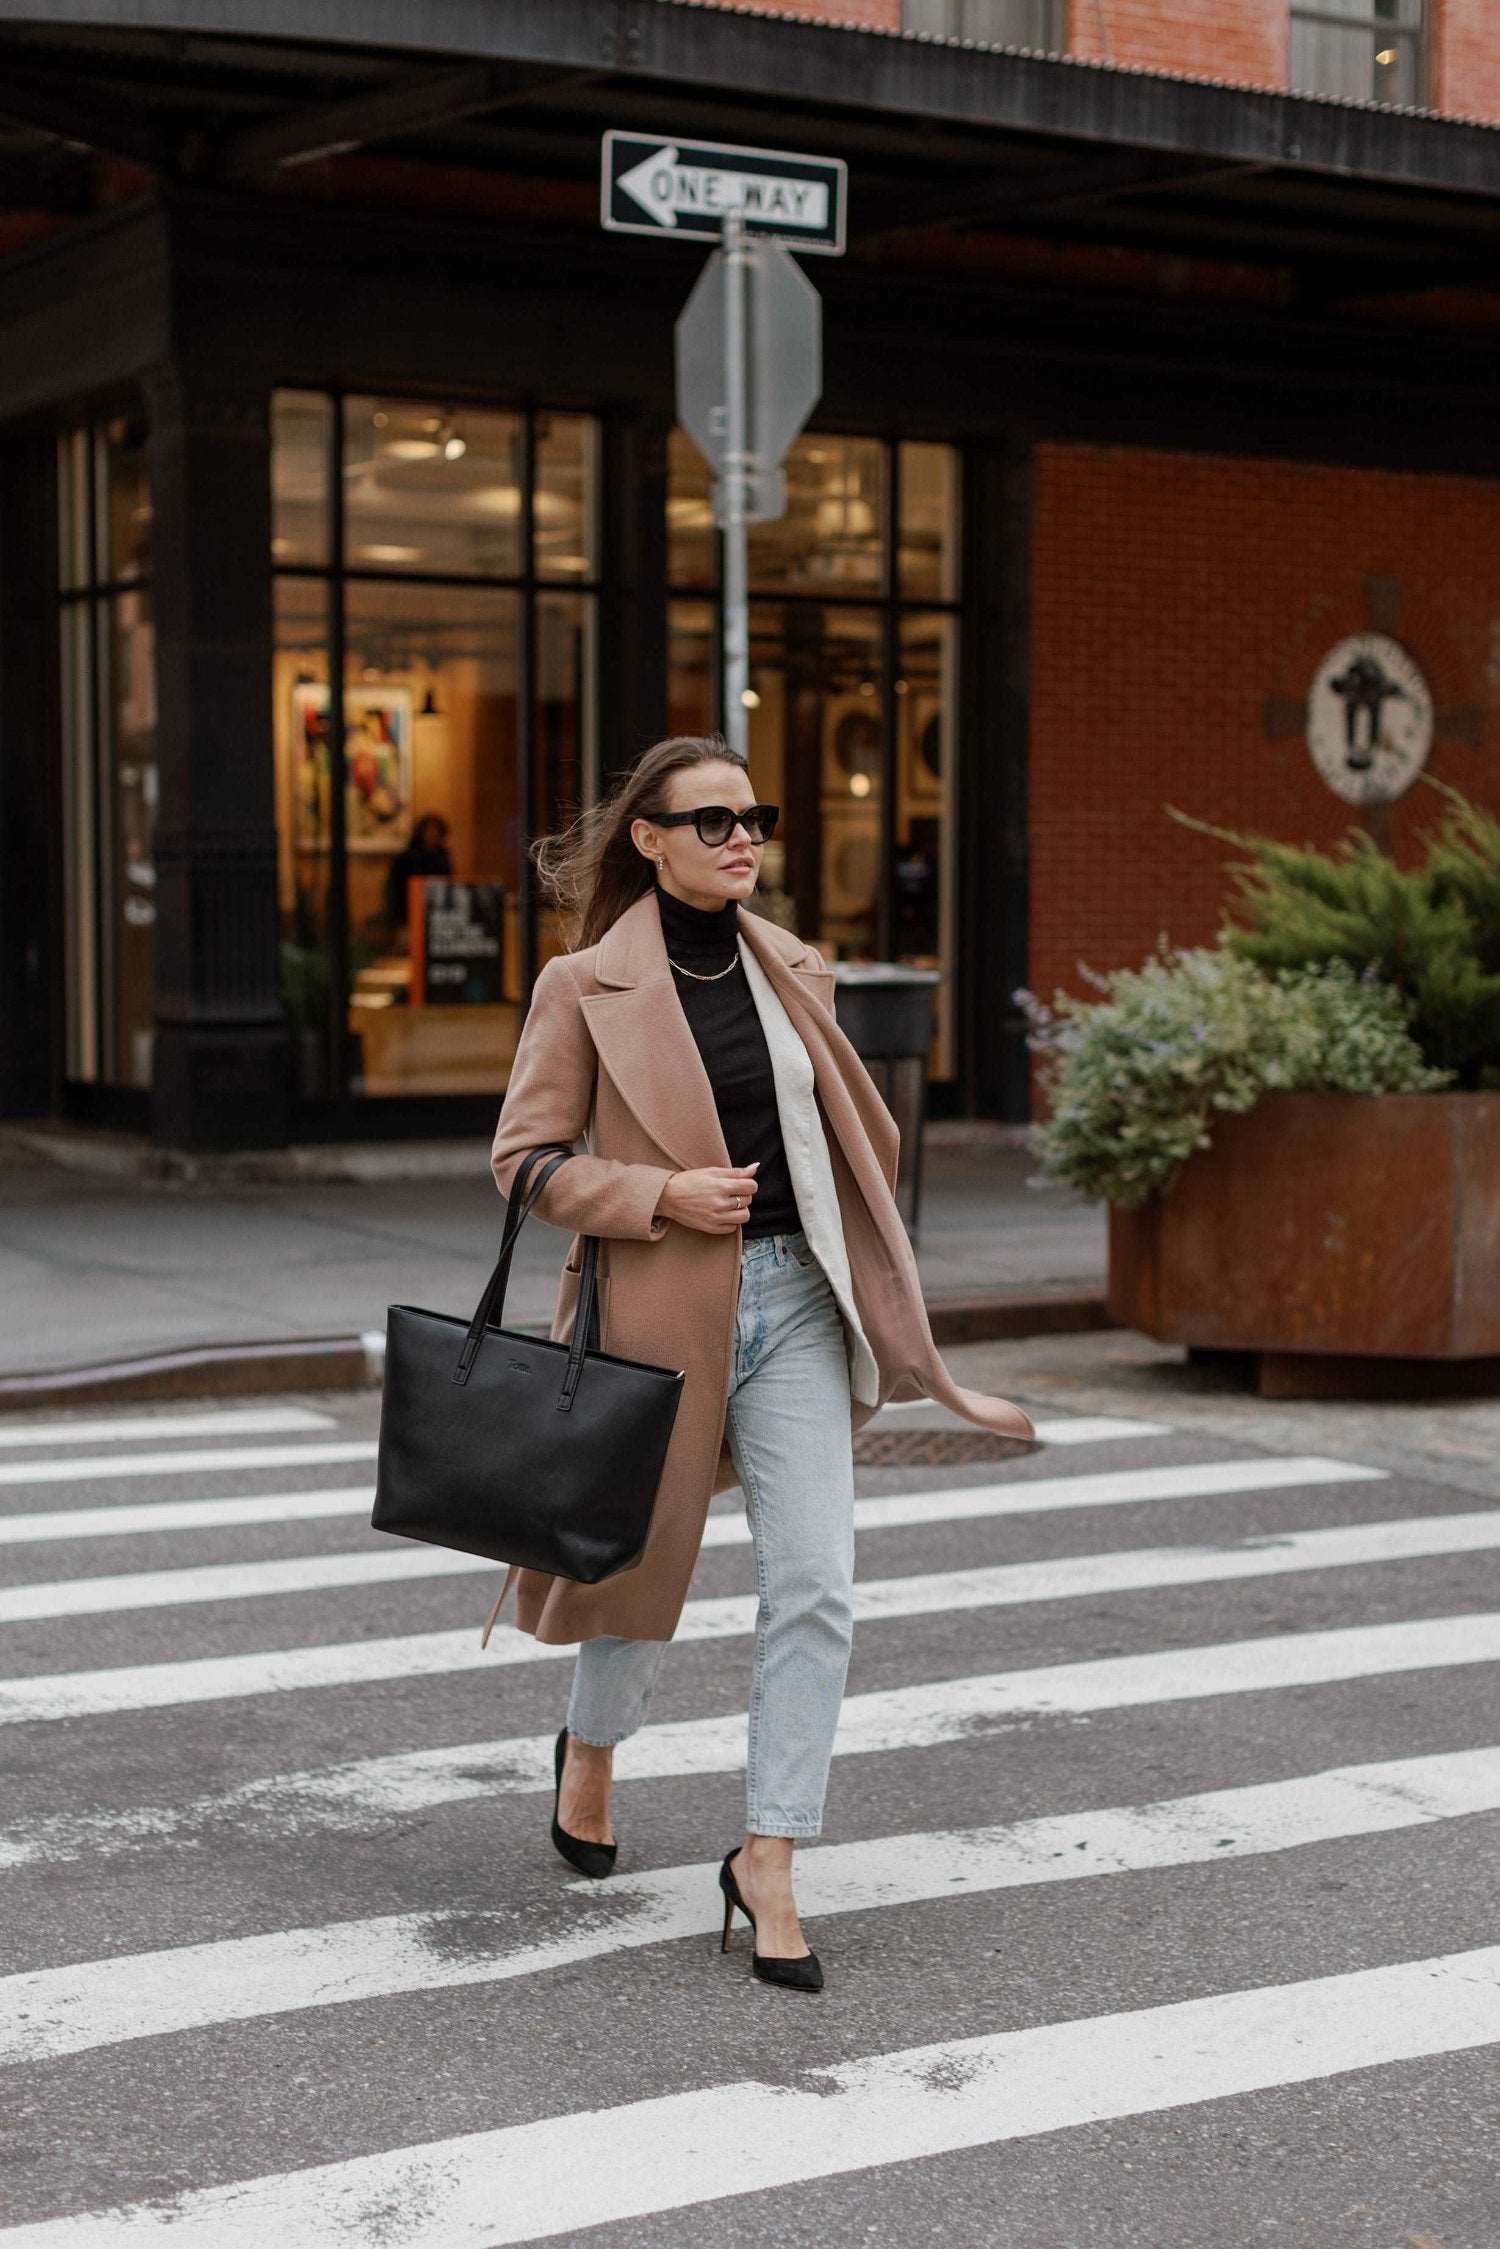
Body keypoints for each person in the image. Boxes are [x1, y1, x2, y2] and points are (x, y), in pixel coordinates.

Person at [487, 733, 1036, 1992]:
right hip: (656, 1305)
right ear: (649, 838)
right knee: (635, 1563)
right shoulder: (582, 985)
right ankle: (591, 1744)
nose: (745, 838)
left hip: (796, 1300)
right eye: (715, 819)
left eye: (757, 817)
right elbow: (521, 1159)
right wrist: (657, 1191)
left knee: (818, 1581)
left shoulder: (792, 968)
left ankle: (770, 1852)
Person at [383, 812, 453, 939]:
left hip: (437, 917)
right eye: (429, 831)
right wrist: (398, 918)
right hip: (408, 913)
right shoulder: (407, 857)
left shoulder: (443, 858)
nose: (432, 835)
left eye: (436, 832)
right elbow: (395, 889)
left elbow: (448, 884)